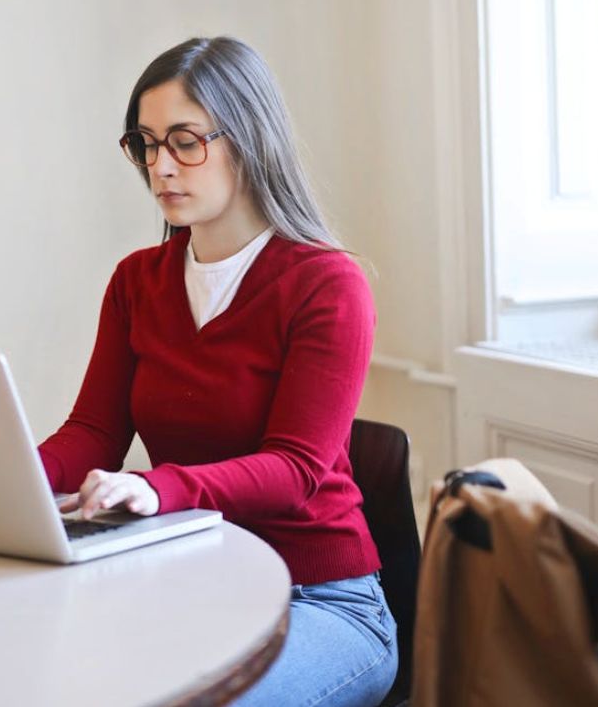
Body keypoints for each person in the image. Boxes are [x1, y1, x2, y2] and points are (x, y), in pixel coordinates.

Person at [38, 36, 397, 707]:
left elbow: (294, 468)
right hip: (189, 584)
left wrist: (155, 488)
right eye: (144, 144)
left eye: (184, 141)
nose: (160, 167)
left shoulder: (326, 284)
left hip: (319, 600)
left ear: (249, 140)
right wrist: (9, 476)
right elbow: (91, 430)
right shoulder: (135, 281)